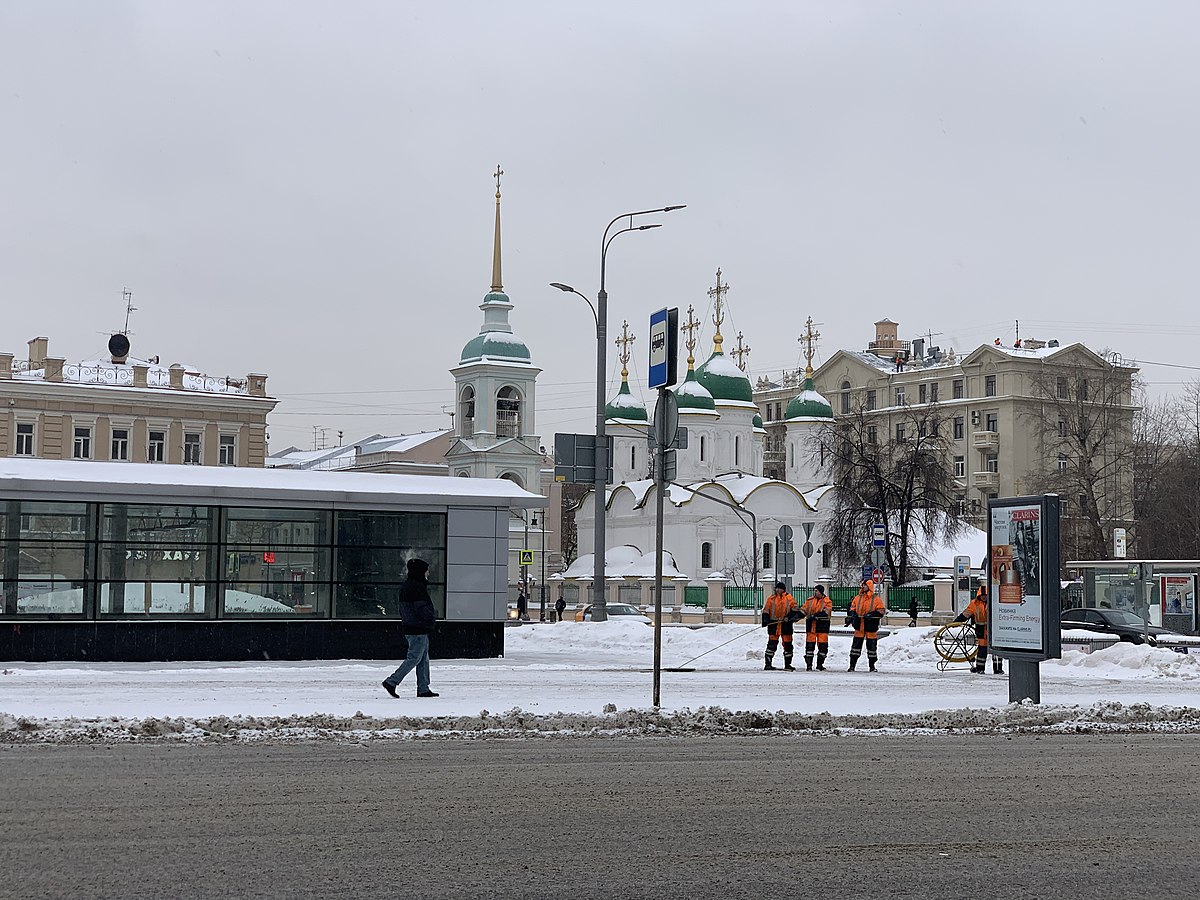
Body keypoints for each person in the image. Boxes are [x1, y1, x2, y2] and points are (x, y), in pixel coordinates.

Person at [381, 558, 440, 698]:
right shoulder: (416, 587)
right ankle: (392, 681)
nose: (428, 573)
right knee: (414, 658)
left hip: (414, 627)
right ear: (420, 572)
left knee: (422, 659)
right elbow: (421, 608)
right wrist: (430, 618)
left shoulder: (410, 586)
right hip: (417, 628)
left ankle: (423, 688)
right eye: (426, 571)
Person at [955, 585, 1003, 674]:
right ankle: (980, 668)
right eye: (982, 595)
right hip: (981, 631)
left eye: (986, 595)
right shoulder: (974, 604)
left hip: (994, 630)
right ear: (979, 595)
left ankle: (998, 669)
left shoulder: (994, 602)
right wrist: (956, 622)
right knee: (982, 650)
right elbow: (966, 614)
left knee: (996, 650)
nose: (984, 597)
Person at [846, 579, 885, 672]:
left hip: (871, 626)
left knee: (872, 648)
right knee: (855, 647)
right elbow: (852, 608)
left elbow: (881, 611)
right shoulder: (857, 598)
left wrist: (871, 615)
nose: (863, 587)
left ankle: (872, 666)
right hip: (859, 626)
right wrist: (853, 614)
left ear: (869, 586)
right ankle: (852, 666)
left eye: (865, 585)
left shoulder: (876, 599)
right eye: (862, 585)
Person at [762, 581, 800, 671]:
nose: (777, 590)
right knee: (771, 645)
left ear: (783, 589)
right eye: (777, 588)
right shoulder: (771, 599)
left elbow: (795, 610)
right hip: (773, 625)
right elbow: (766, 610)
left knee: (788, 645)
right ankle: (768, 664)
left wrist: (789, 618)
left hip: (785, 625)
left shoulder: (789, 598)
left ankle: (788, 664)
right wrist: (765, 620)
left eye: (779, 588)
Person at [799, 584, 833, 671]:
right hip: (811, 627)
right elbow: (804, 610)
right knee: (809, 647)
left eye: (817, 591)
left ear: (821, 592)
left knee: (823, 647)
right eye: (815, 590)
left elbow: (827, 612)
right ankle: (809, 665)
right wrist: (796, 617)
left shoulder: (827, 601)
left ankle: (819, 664)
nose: (815, 592)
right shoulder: (810, 600)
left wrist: (816, 615)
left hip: (822, 627)